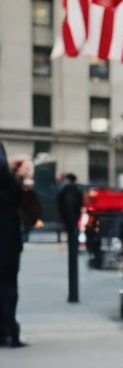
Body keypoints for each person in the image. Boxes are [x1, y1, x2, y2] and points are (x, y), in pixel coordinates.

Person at [0, 146, 40, 348]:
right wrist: (23, 180)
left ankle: (8, 331)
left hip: (8, 239)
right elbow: (30, 210)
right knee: (8, 286)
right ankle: (8, 331)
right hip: (7, 240)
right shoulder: (12, 187)